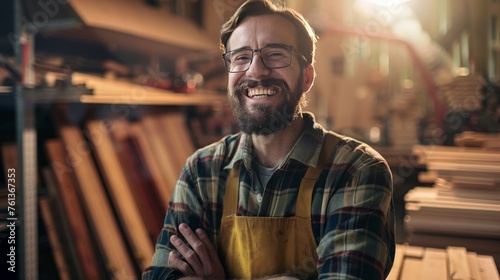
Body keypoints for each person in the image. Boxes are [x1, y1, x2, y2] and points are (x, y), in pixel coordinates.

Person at [142, 0, 395, 279]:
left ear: (307, 76)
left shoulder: (355, 171)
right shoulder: (201, 172)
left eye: (275, 55)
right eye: (240, 57)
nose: (255, 71)